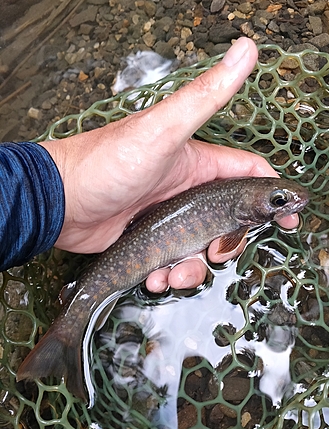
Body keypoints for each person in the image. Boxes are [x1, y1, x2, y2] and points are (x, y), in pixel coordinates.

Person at [0, 38, 299, 291]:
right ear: (247, 205)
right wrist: (50, 194)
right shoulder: (235, 209)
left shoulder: (238, 206)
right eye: (278, 201)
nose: (286, 204)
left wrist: (55, 195)